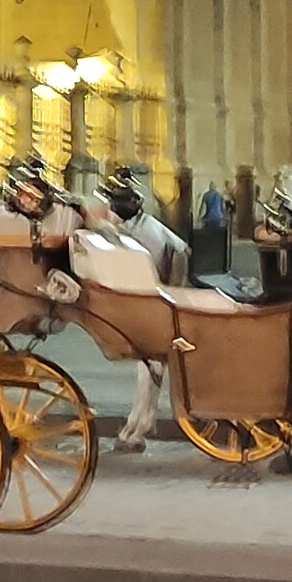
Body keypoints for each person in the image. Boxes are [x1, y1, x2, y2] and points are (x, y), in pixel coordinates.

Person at [97, 172, 191, 451]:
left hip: (155, 296)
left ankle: (141, 421)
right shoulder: (146, 225)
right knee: (149, 367)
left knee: (148, 366)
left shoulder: (143, 232)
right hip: (164, 294)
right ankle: (140, 419)